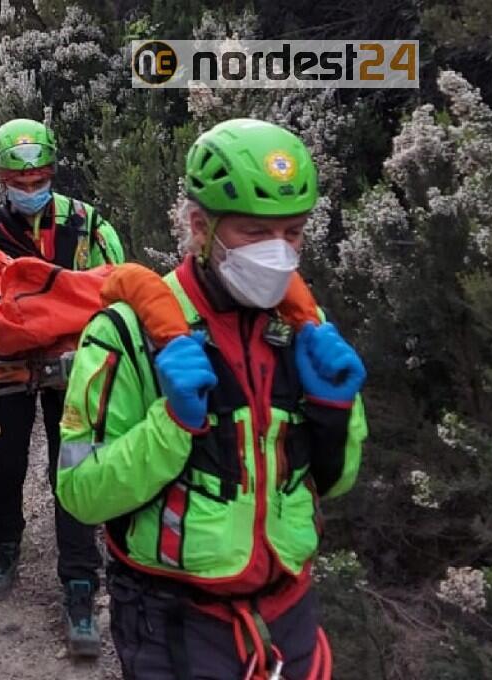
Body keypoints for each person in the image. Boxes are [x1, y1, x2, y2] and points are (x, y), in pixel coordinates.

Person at [57, 118, 368, 679]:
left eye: (292, 233)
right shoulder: (126, 334)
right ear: (200, 227)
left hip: (289, 611)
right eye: (254, 232)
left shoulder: (306, 330)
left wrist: (333, 413)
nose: (278, 253)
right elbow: (80, 493)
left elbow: (336, 482)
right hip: (174, 622)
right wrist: (172, 423)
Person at [0, 118, 125, 658]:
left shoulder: (89, 226)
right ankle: (4, 544)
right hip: (8, 363)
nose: (30, 189)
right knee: (4, 457)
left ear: (54, 172)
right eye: (20, 178)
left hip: (75, 365)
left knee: (74, 466)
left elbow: (116, 289)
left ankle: (80, 583)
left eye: (39, 178)